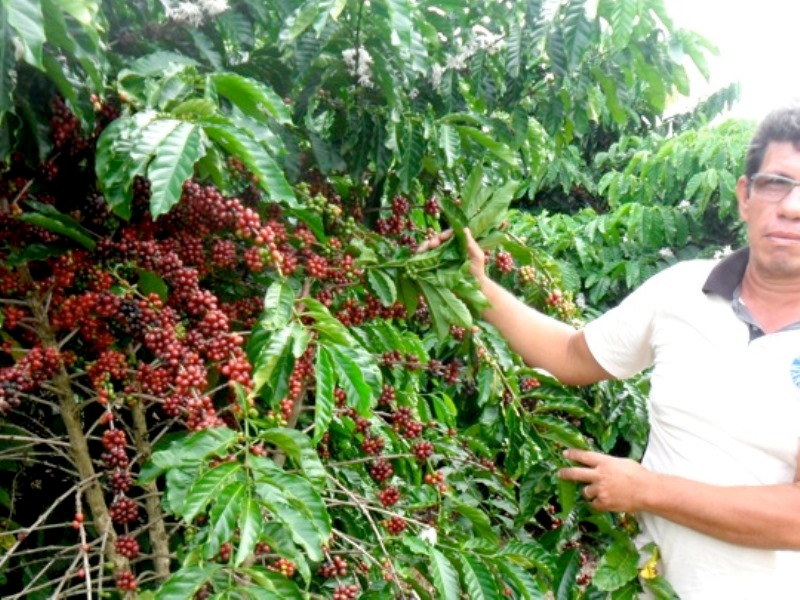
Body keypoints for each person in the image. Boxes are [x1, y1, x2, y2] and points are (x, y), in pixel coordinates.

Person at [418, 104, 800, 598]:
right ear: (745, 195)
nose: (792, 207)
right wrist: (478, 287)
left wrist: (647, 490)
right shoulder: (681, 291)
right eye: (777, 183)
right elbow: (571, 355)